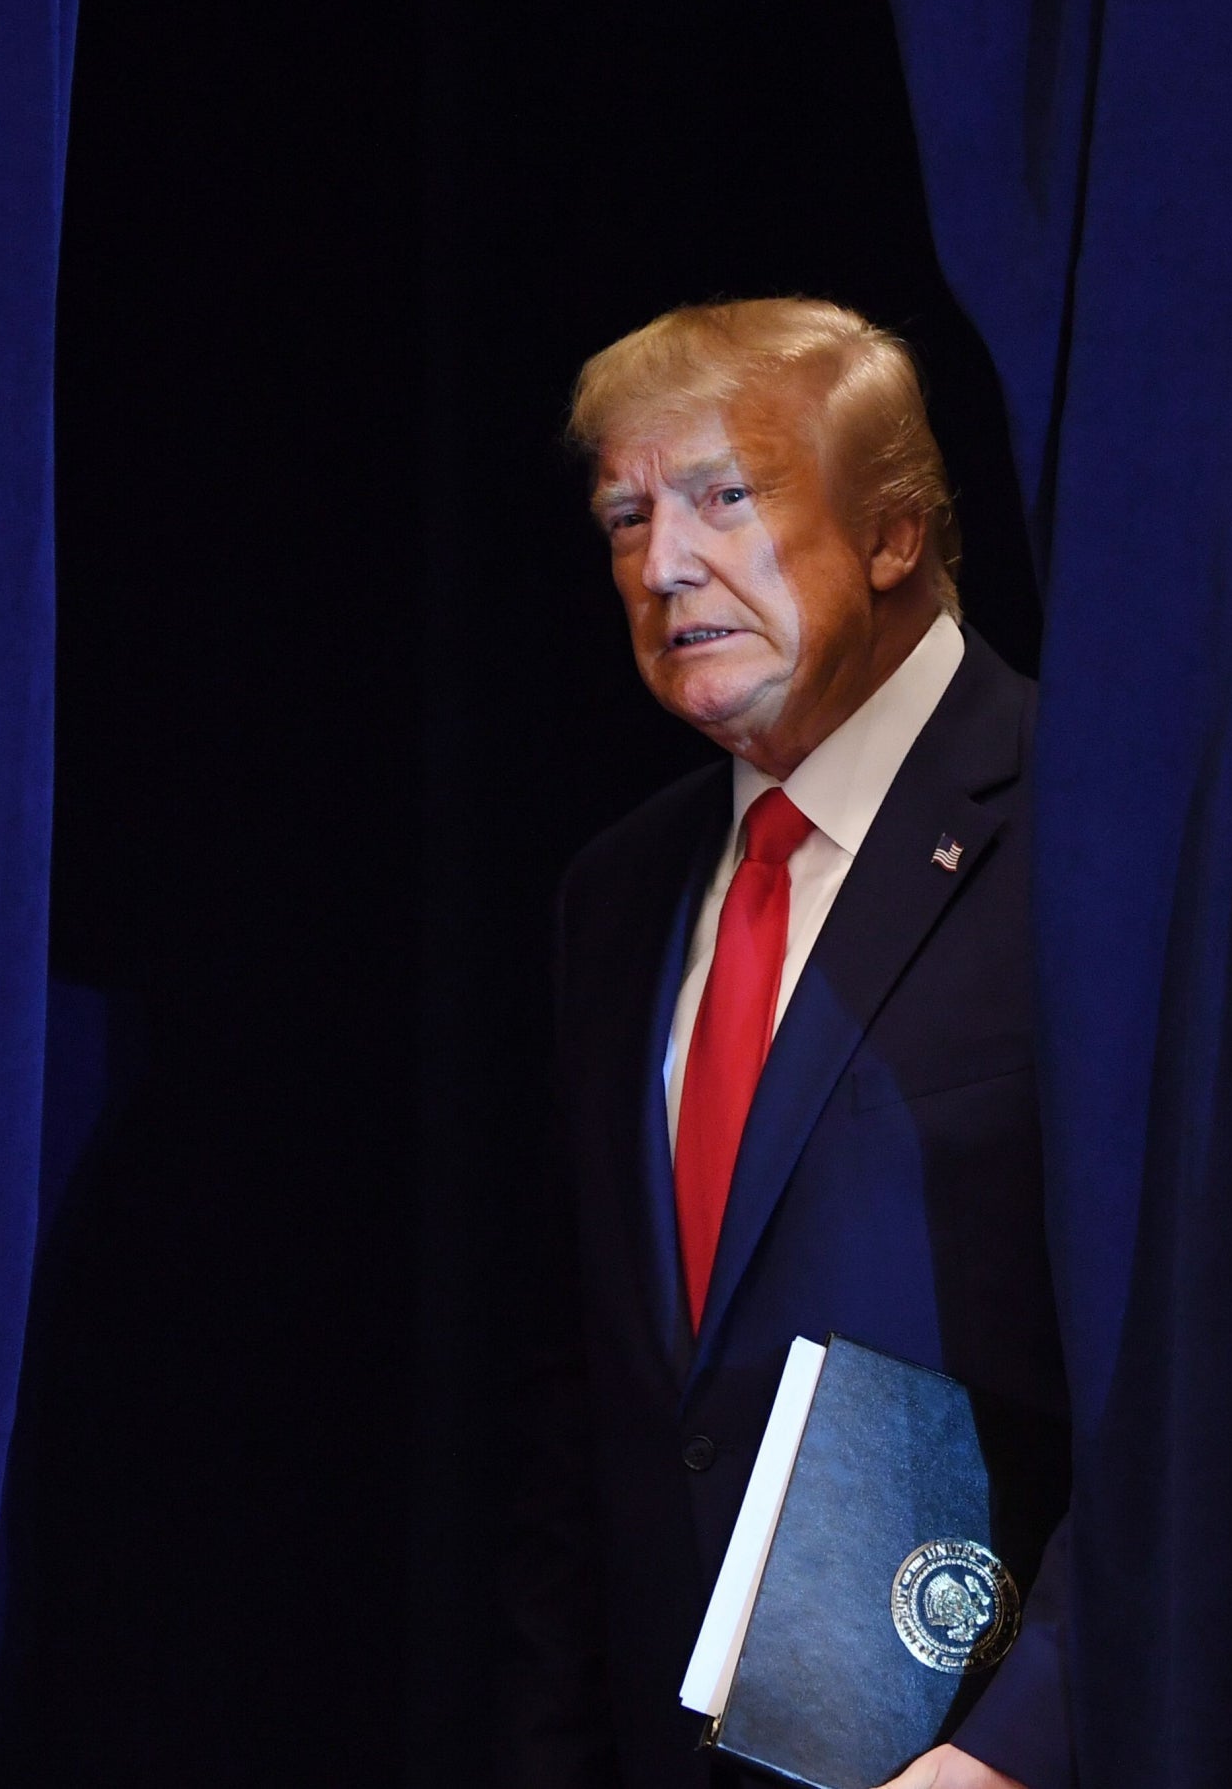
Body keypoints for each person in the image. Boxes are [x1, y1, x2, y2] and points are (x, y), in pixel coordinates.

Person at [505, 300, 1074, 1789]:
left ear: (892, 533)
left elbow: (1198, 1355)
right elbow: (594, 1399)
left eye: (723, 497)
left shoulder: (1090, 834)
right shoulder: (617, 897)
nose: (660, 563)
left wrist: (1020, 1747)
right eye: (626, 514)